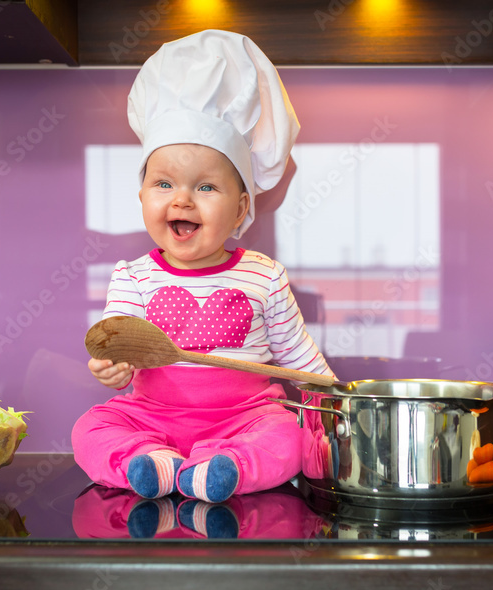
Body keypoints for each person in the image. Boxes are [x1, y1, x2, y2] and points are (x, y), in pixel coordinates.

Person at [72, 30, 334, 504]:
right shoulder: (132, 278)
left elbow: (299, 359)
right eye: (164, 183)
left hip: (246, 419)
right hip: (151, 417)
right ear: (142, 196)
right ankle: (148, 461)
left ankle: (225, 466)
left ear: (240, 211)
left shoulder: (264, 275)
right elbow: (121, 350)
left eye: (207, 188)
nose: (182, 199)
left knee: (291, 436)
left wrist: (339, 402)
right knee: (91, 427)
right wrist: (112, 368)